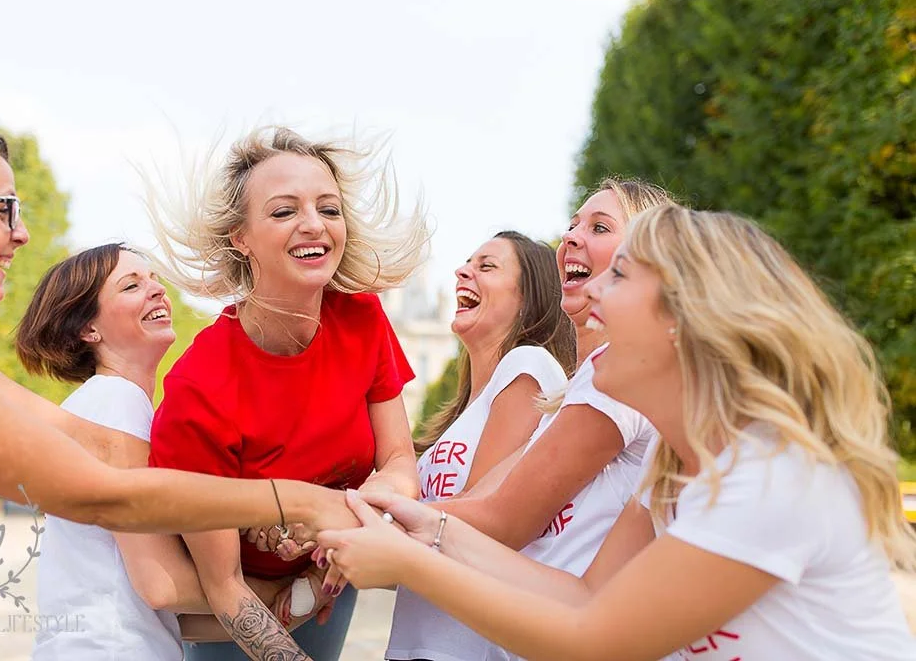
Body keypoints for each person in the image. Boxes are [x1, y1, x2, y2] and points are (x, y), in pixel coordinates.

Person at [0, 96, 356, 661]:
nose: (22, 233)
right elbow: (101, 494)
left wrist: (256, 510)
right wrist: (295, 502)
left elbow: (112, 451)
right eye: (3, 208)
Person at [321, 205, 916, 661]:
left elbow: (593, 641)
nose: (595, 289)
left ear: (687, 316)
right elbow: (584, 597)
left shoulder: (770, 473)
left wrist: (408, 559)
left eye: (622, 274)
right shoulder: (673, 463)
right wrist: (434, 528)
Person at [146, 126, 430, 660]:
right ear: (241, 237)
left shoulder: (364, 318)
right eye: (283, 212)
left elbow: (397, 460)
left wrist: (341, 521)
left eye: (329, 208)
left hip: (333, 582)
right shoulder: (198, 386)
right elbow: (224, 586)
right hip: (240, 613)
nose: (313, 225)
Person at [372, 179, 673, 661]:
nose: (570, 236)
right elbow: (575, 590)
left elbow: (500, 520)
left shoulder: (612, 372)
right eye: (572, 224)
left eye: (598, 226)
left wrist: (358, 517)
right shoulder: (575, 390)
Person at [18, 244, 317, 659]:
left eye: (154, 278)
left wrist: (281, 600)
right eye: (131, 285)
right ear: (89, 330)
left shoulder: (112, 406)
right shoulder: (114, 404)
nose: (156, 290)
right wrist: (271, 588)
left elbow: (164, 614)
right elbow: (160, 585)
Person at [384, 230, 574, 658]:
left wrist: (351, 519)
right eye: (468, 262)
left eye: (486, 266)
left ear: (528, 299)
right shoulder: (463, 414)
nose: (462, 271)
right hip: (421, 642)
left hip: (471, 646)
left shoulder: (529, 365)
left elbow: (485, 517)